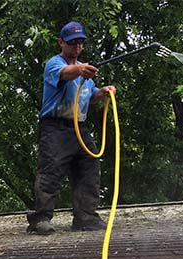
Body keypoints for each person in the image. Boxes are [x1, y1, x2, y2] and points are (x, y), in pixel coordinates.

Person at [26, 21, 117, 235]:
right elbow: (65, 74)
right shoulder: (55, 64)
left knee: (89, 166)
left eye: (80, 43)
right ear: (61, 43)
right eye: (72, 43)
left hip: (79, 127)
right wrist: (79, 69)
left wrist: (103, 92)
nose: (76, 47)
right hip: (55, 128)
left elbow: (89, 96)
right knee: (51, 171)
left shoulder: (84, 73)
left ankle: (85, 217)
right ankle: (40, 219)